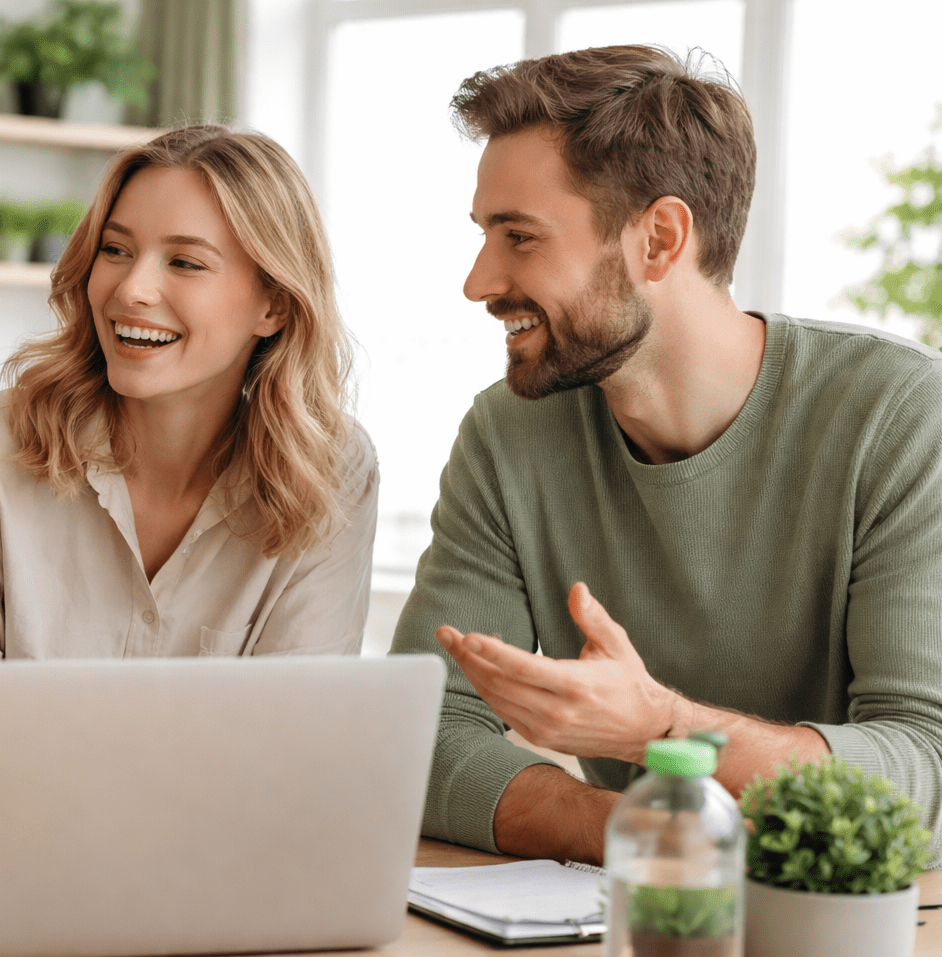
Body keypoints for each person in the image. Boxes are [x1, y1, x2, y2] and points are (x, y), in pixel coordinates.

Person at [392, 46, 942, 864]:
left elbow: (926, 769)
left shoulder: (900, 415)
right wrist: (634, 830)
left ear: (658, 239)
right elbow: (419, 731)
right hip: (642, 910)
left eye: (520, 237)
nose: (479, 281)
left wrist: (662, 727)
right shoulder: (509, 434)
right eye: (485, 235)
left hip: (874, 921)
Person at [0, 125, 376, 659]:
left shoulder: (332, 470)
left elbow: (302, 707)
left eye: (185, 262)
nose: (131, 290)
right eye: (115, 250)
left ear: (275, 306)